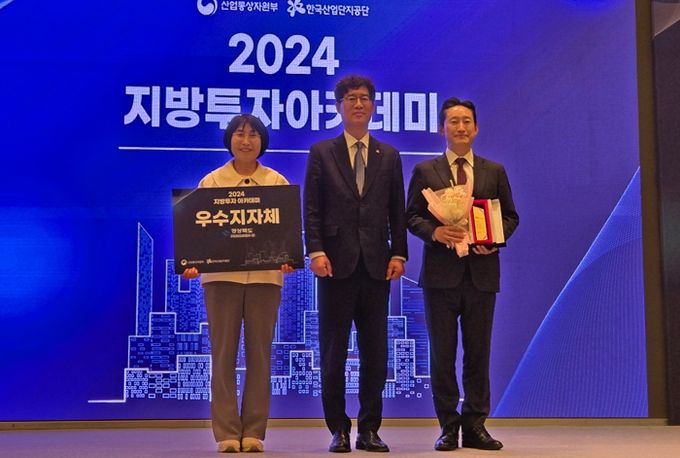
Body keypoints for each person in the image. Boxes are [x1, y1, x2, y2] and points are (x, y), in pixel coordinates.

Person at [405, 98, 519, 451]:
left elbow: (510, 217)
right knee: (442, 355)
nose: (461, 127)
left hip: (481, 275)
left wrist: (494, 240)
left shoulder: (493, 171)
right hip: (440, 276)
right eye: (453, 121)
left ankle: (475, 426)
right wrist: (436, 232)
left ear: (476, 128)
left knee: (478, 353)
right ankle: (447, 427)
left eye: (467, 121)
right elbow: (412, 217)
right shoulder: (426, 171)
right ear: (442, 128)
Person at [303, 75, 408, 453]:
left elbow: (397, 210)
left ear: (373, 105)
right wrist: (315, 251)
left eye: (364, 98)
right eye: (351, 98)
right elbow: (312, 208)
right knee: (333, 351)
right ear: (339, 107)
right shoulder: (322, 152)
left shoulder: (389, 155)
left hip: (377, 265)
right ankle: (338, 429)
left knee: (375, 352)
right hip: (334, 265)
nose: (358, 104)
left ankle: (369, 429)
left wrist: (399, 253)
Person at [182, 114, 294, 454]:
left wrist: (288, 257)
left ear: (262, 141)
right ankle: (227, 431)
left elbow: (286, 232)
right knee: (223, 355)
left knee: (260, 355)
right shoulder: (212, 181)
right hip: (221, 280)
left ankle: (254, 431)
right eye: (240, 134)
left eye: (253, 135)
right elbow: (198, 232)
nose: (246, 141)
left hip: (265, 280)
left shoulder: (276, 182)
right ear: (230, 139)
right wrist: (192, 261)